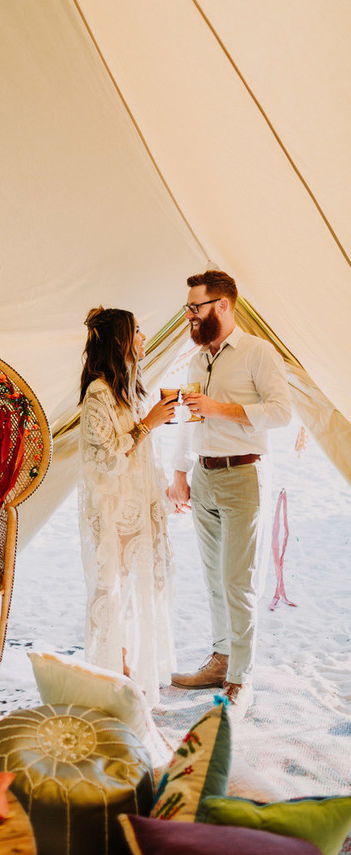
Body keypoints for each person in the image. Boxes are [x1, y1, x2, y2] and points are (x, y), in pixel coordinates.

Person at [167, 270, 291, 718]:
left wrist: (222, 410)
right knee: (214, 579)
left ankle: (242, 679)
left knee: (239, 583)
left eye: (195, 308)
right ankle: (220, 661)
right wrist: (179, 472)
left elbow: (281, 411)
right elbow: (188, 418)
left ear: (222, 305)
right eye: (188, 309)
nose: (190, 316)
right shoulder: (197, 359)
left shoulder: (259, 353)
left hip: (244, 477)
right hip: (202, 478)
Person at [78, 307, 177, 706]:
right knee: (111, 587)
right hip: (111, 507)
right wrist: (148, 423)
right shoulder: (98, 394)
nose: (143, 339)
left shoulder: (126, 389)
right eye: (136, 332)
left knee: (139, 587)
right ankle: (111, 671)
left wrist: (162, 489)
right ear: (120, 340)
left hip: (136, 503)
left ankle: (127, 665)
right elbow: (107, 456)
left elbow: (140, 453)